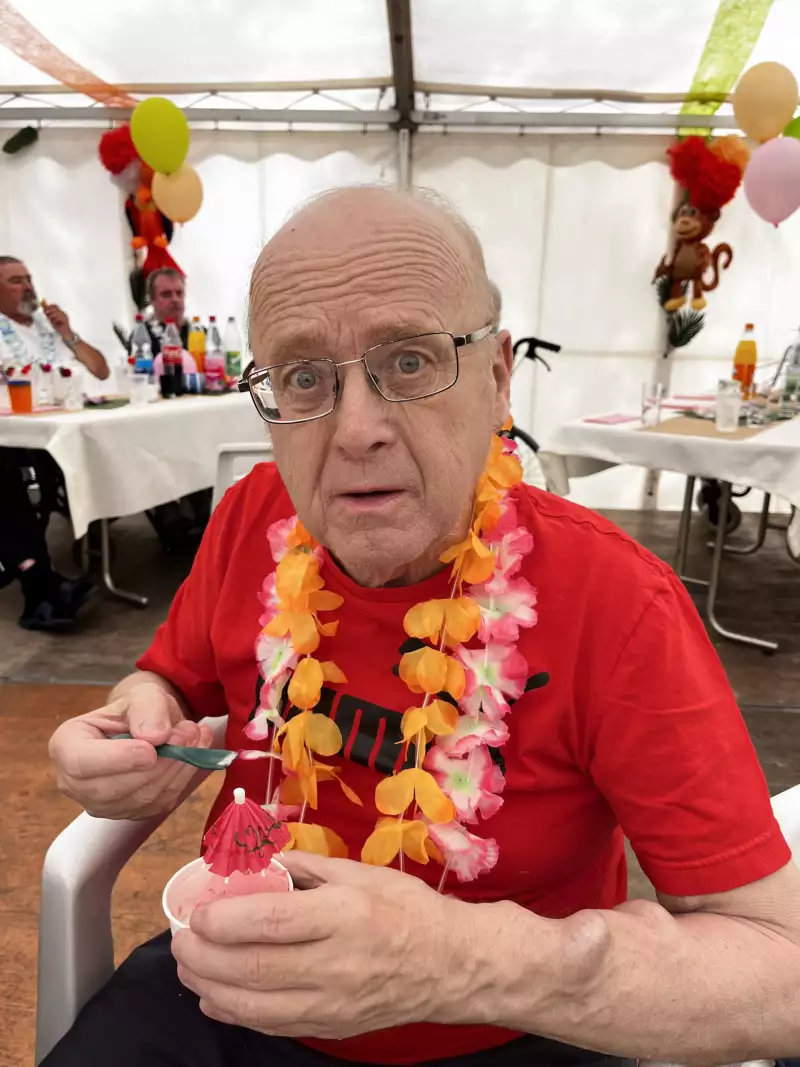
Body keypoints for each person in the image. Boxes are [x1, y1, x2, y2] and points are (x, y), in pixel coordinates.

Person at [46, 187, 800, 1067]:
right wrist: (134, 721)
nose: (356, 429)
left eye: (409, 360)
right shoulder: (253, 515)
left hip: (511, 1024)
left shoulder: (619, 603)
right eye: (303, 376)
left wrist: (458, 962)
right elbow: (168, 682)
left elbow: (781, 972)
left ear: (497, 378)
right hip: (234, 983)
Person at [0, 256, 109, 382]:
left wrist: (68, 334)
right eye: (16, 281)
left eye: (29, 280)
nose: (28, 287)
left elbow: (102, 373)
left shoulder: (51, 323)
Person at [141, 267, 198, 376]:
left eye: (179, 293)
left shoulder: (199, 332)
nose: (175, 299)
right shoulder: (143, 336)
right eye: (166, 294)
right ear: (152, 300)